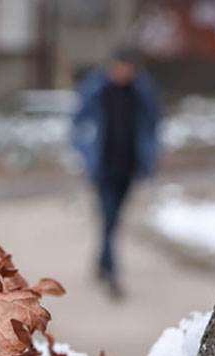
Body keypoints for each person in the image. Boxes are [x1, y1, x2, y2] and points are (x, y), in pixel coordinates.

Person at [71, 47, 160, 298]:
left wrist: (150, 157)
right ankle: (111, 272)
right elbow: (78, 122)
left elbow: (152, 125)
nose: (124, 72)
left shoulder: (142, 92)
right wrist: (85, 152)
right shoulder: (97, 90)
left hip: (129, 166)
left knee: (113, 218)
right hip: (103, 167)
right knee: (109, 215)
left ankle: (101, 261)